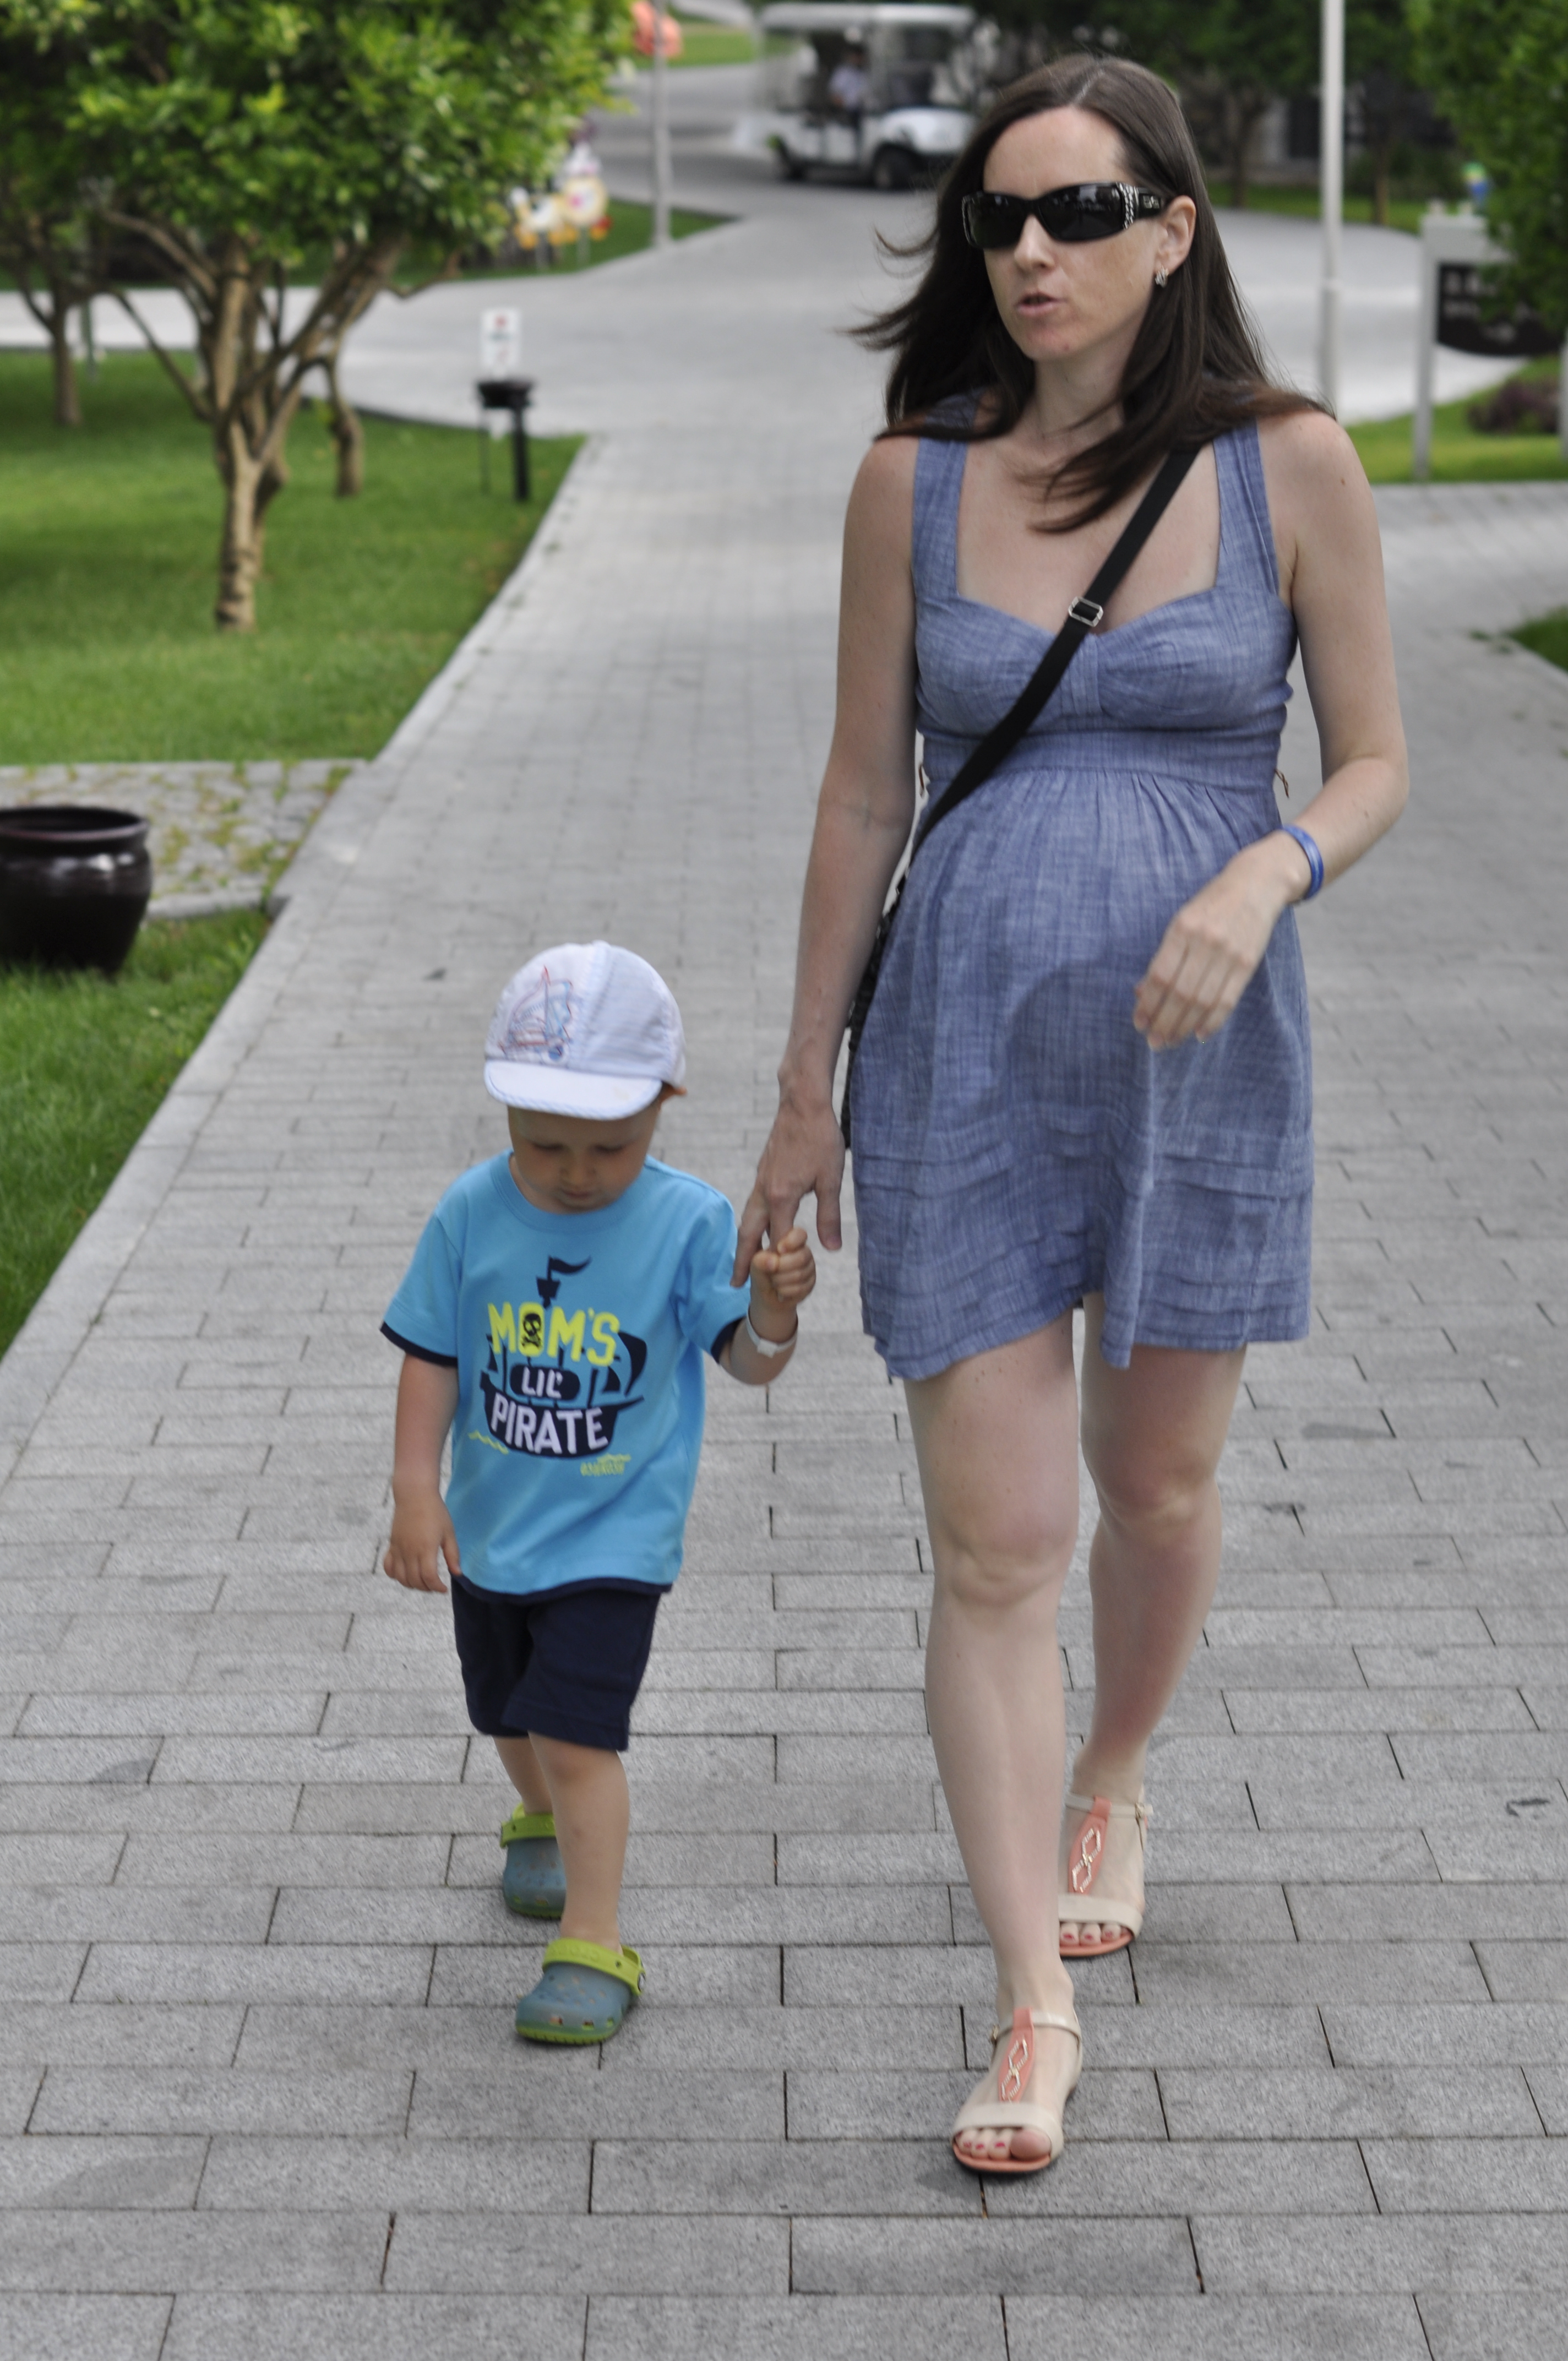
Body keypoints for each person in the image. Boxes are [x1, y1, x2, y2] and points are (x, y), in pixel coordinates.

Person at [737, 56, 1407, 2172]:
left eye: (1078, 213)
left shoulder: (1289, 465)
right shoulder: (909, 481)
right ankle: (1031, 1999)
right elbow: (860, 797)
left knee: (1158, 1479)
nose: (1030, 253)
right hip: (957, 1049)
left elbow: (1374, 761)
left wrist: (1263, 868)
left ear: (1170, 230)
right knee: (997, 1537)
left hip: (1204, 1051)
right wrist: (798, 1093)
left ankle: (1113, 1763)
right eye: (999, 220)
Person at [383, 941, 815, 2044]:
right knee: (503, 1711)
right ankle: (537, 1817)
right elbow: (432, 1355)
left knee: (576, 1736)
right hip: (492, 1530)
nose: (576, 1173)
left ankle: (592, 1936)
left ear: (665, 1104)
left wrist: (771, 1312)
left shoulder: (685, 1222)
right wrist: (415, 1491)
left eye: (610, 1146)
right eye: (544, 1144)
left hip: (616, 1538)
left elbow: (746, 1362)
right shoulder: (471, 1212)